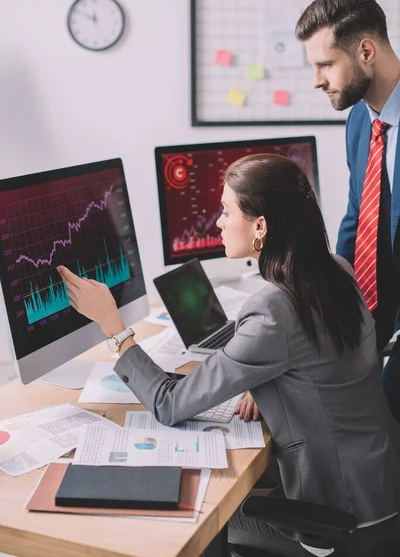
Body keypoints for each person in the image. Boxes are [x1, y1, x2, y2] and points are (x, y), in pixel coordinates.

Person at [58, 153, 400, 556]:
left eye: (225, 211)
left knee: (198, 516)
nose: (218, 222)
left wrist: (116, 331)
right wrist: (267, 377)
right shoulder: (337, 269)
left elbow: (170, 404)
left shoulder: (272, 310)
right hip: (382, 491)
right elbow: (321, 363)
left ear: (260, 227)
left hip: (341, 523)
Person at [295, 0, 400, 423]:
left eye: (325, 64)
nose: (316, 80)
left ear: (366, 51)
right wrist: (322, 299)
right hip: (376, 318)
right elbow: (359, 218)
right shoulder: (361, 120)